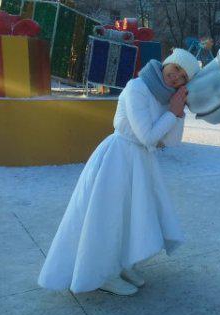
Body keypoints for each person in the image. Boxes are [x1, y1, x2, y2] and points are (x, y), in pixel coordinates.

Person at [38, 49, 200, 296]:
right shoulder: (138, 87)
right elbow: (147, 136)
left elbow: (171, 141)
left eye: (183, 77)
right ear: (168, 63)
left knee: (131, 216)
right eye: (176, 69)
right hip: (118, 158)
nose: (176, 77)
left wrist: (177, 113)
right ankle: (104, 274)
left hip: (140, 163)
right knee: (109, 216)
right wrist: (171, 112)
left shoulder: (167, 98)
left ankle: (124, 264)